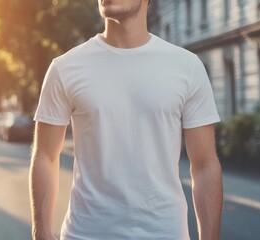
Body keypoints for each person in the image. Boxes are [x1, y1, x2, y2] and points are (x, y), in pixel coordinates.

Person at [29, 0, 223, 239]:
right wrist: (40, 231)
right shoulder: (64, 68)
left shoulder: (187, 67)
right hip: (85, 234)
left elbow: (205, 166)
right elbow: (45, 156)